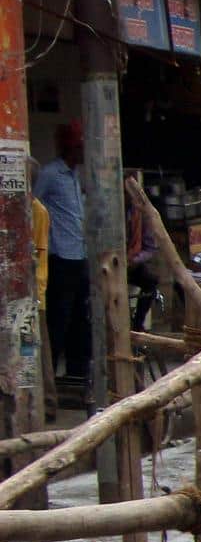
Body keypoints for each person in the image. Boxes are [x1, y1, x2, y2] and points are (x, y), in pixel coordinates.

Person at [36, 122, 88, 391]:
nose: (84, 152)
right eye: (80, 146)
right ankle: (52, 379)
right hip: (61, 259)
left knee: (81, 320)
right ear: (71, 147)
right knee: (59, 319)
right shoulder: (50, 174)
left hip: (79, 255)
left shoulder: (75, 176)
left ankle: (76, 377)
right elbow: (33, 205)